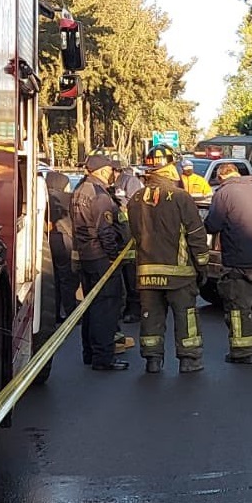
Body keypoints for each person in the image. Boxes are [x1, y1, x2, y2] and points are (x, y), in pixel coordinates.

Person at [128, 144, 211, 374]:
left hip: (146, 274)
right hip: (179, 274)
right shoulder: (181, 198)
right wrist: (202, 265)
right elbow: (196, 235)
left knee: (151, 318)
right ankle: (189, 360)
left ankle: (152, 360)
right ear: (171, 168)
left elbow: (131, 236)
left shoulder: (134, 200)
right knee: (186, 316)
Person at [204, 162, 252, 364]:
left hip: (237, 262)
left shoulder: (224, 193)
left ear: (220, 177)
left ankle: (243, 352)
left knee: (239, 309)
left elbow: (213, 224)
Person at [71, 155, 130, 371]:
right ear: (104, 170)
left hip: (86, 257)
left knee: (90, 306)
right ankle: (104, 357)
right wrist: (114, 256)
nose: (113, 174)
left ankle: (90, 352)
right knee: (105, 308)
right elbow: (105, 231)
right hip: (101, 259)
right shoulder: (100, 195)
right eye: (112, 170)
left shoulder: (79, 190)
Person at [45, 170, 80, 322]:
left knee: (55, 280)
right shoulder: (68, 199)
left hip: (49, 242)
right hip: (65, 242)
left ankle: (55, 314)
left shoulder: (45, 199)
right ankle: (71, 313)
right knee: (68, 279)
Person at [112, 160, 145, 323]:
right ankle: (122, 308)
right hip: (117, 236)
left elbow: (136, 204)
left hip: (129, 236)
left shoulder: (129, 181)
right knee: (120, 278)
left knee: (131, 276)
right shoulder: (109, 184)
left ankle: (134, 309)